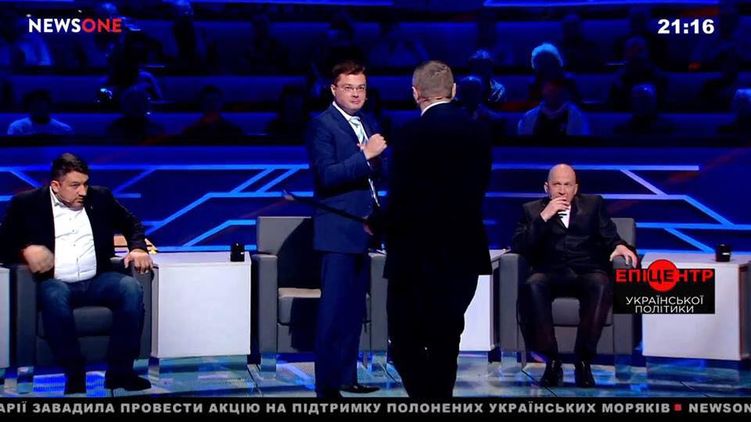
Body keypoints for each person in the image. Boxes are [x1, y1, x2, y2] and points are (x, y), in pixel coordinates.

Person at [379, 60, 492, 398]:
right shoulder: (479, 132)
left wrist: (378, 223)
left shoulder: (408, 134)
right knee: (446, 339)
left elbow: (402, 197)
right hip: (462, 254)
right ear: (454, 91)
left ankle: (425, 399)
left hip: (415, 257)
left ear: (415, 93)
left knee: (404, 340)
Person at [0, 153, 153, 395]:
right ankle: (75, 373)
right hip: (56, 280)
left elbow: (131, 223)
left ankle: (120, 373)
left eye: (85, 184)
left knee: (130, 287)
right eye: (75, 185)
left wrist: (137, 248)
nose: (83, 191)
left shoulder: (100, 197)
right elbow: (4, 244)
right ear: (56, 185)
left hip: (97, 279)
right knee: (53, 294)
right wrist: (26, 250)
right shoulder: (27, 203)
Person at [511, 164, 637, 388]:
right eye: (557, 185)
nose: (562, 190)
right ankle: (552, 362)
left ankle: (583, 361)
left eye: (567, 185)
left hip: (586, 271)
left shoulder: (593, 204)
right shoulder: (531, 210)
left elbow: (609, 236)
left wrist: (620, 246)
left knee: (600, 283)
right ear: (547, 187)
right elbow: (520, 246)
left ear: (575, 188)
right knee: (533, 284)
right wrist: (543, 217)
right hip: (549, 272)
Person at [305, 60, 387, 399]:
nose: (356, 94)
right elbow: (327, 175)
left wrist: (376, 159)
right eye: (349, 87)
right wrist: (364, 156)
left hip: (364, 229)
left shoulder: (368, 122)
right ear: (334, 89)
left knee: (354, 311)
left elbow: (376, 170)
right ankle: (326, 385)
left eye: (361, 88)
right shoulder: (322, 124)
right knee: (334, 311)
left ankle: (346, 376)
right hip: (337, 230)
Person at [7, 90, 73, 136]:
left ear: (50, 106)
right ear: (28, 107)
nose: (38, 107)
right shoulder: (17, 127)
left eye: (41, 104)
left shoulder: (64, 129)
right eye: (34, 104)